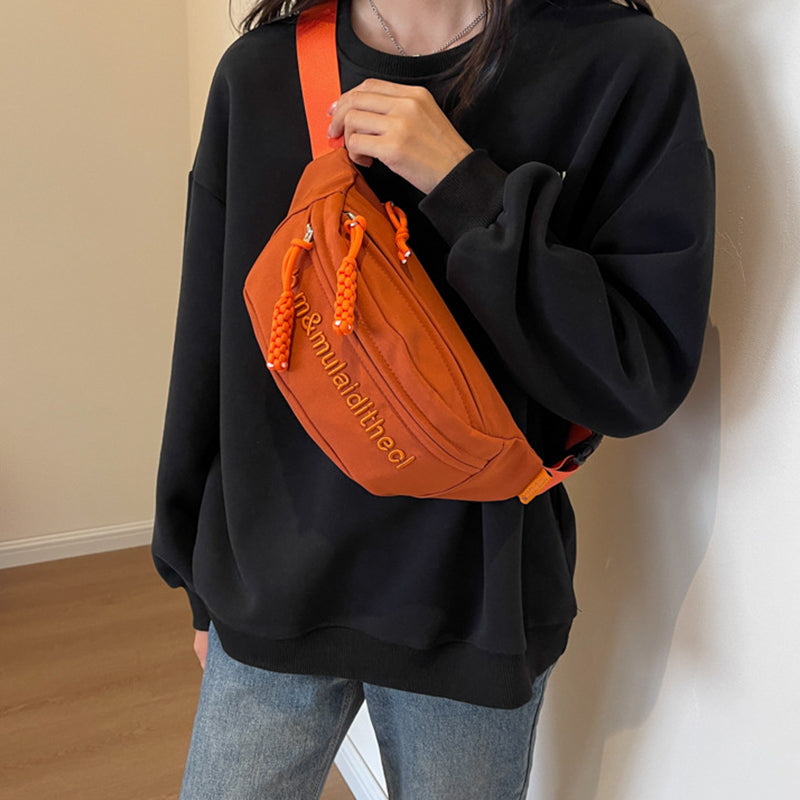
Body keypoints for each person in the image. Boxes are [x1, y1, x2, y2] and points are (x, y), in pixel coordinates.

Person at [152, 0, 715, 797]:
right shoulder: (261, 74)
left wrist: (466, 188)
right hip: (270, 582)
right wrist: (197, 579)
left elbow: (638, 373)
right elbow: (211, 346)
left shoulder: (619, 66)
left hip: (474, 600)